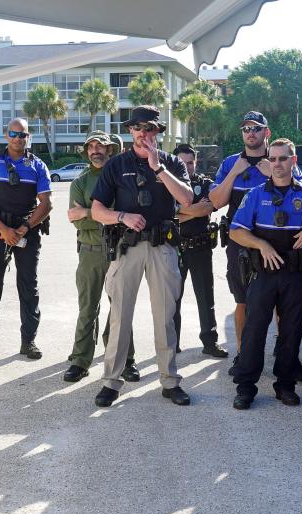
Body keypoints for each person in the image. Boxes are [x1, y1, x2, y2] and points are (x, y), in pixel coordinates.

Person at [89, 105, 194, 407]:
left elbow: (187, 200)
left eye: (149, 128)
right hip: (128, 246)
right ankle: (111, 382)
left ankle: (170, 381)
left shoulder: (172, 162)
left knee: (165, 316)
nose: (143, 133)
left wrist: (157, 166)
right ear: (130, 131)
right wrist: (122, 216)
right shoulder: (116, 165)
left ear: (157, 132)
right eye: (137, 127)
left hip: (163, 247)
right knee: (121, 316)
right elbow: (97, 211)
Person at [229, 139, 302, 409]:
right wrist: (261, 244)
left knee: (292, 332)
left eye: (283, 158)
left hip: (296, 275)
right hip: (264, 275)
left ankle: (285, 385)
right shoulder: (255, 194)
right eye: (273, 159)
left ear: (293, 161)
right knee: (254, 332)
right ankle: (246, 387)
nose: (277, 164)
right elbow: (235, 231)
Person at [210, 111, 302, 380]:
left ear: (267, 132)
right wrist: (234, 173)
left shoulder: (280, 161)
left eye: (255, 128)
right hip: (242, 244)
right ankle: (243, 355)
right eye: (245, 129)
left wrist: (270, 174)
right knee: (242, 302)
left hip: (280, 243)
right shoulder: (231, 162)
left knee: (282, 304)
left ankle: (286, 355)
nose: (250, 133)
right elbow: (216, 202)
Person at [0, 117, 53, 363]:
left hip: (27, 231)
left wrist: (24, 228)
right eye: (13, 134)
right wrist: (3, 229)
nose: (17, 138)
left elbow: (46, 203)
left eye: (22, 134)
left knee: (29, 288)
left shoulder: (37, 166)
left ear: (29, 137)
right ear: (6, 135)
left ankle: (29, 342)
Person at [64, 131, 139, 382]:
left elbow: (127, 215)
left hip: (121, 252)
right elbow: (76, 222)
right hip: (90, 253)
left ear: (110, 149)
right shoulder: (81, 182)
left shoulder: (122, 178)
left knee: (120, 309)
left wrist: (88, 212)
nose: (95, 150)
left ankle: (125, 359)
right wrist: (106, 217)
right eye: (91, 147)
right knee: (87, 308)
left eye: (100, 146)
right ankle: (80, 360)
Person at [172, 143, 228, 358]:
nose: (187, 167)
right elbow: (165, 214)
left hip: (200, 248)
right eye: (182, 163)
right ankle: (172, 342)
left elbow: (209, 206)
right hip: (175, 248)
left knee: (206, 297)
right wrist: (193, 211)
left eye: (190, 163)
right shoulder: (167, 184)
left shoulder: (204, 183)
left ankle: (210, 342)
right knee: (172, 298)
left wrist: (182, 211)